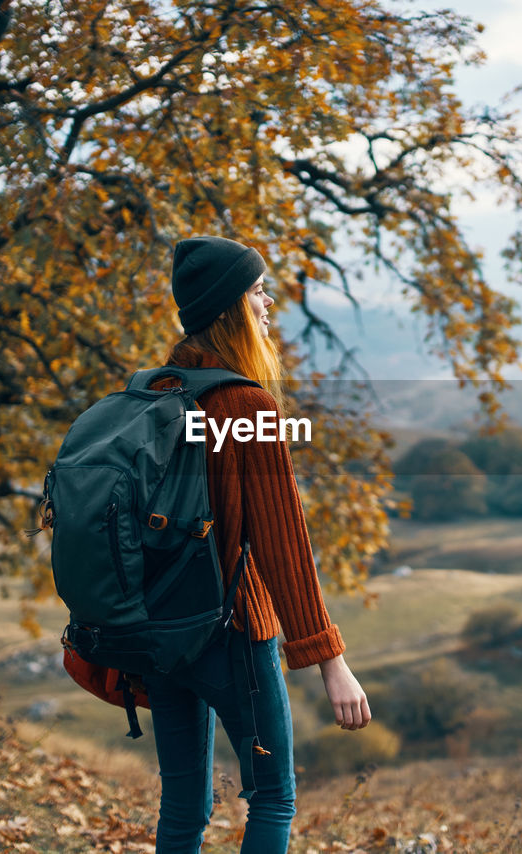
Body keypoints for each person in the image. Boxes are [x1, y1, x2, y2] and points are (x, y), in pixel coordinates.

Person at [143, 235, 371, 853]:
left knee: (182, 805)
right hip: (233, 632)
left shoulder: (156, 393)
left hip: (160, 630)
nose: (268, 302)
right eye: (257, 292)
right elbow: (284, 546)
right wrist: (331, 662)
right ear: (229, 311)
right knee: (272, 798)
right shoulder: (246, 404)